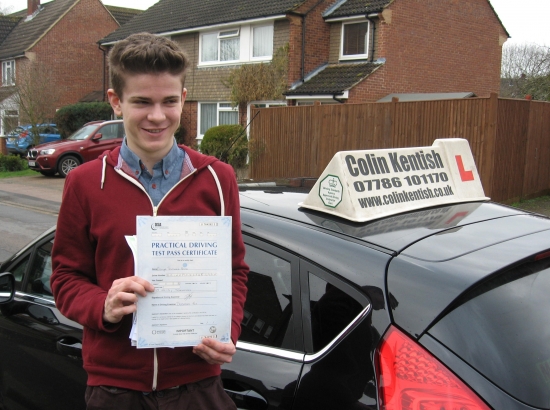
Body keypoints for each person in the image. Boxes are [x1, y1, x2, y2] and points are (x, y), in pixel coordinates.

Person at [50, 32, 248, 410]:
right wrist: (102, 306)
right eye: (142, 101)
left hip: (198, 384)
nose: (157, 116)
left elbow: (235, 271)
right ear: (116, 102)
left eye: (169, 101)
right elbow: (64, 277)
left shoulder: (218, 179)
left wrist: (228, 331)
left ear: (183, 99)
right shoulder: (85, 183)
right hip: (116, 390)